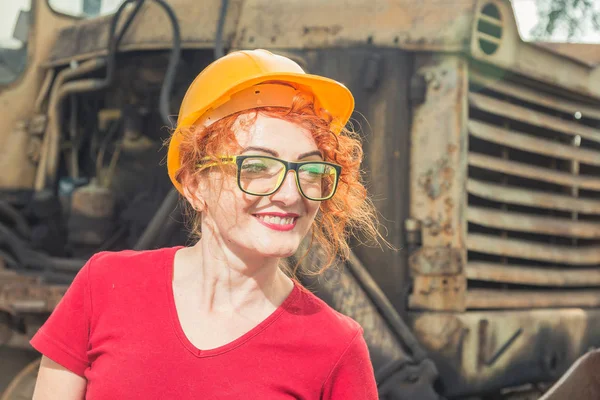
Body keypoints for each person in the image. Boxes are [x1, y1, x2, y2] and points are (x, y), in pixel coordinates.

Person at [31, 49, 383, 399]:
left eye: (311, 171)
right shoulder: (104, 287)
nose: (291, 195)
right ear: (195, 185)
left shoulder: (336, 348)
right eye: (258, 167)